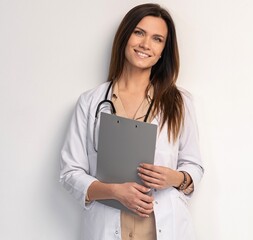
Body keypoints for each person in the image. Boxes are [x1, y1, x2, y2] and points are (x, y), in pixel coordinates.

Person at [60, 3, 204, 240]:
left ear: (162, 51)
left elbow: (194, 165)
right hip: (108, 227)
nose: (146, 44)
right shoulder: (90, 101)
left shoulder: (179, 102)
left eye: (157, 39)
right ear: (125, 36)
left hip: (162, 227)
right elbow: (70, 172)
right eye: (139, 32)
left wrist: (176, 177)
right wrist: (114, 192)